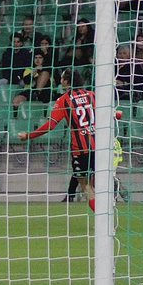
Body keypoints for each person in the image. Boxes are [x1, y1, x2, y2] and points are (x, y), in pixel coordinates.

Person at [18, 70, 101, 211]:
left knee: (86, 186)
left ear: (67, 81)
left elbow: (50, 125)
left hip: (80, 150)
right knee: (99, 184)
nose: (60, 82)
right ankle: (108, 216)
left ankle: (101, 219)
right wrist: (117, 115)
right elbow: (109, 114)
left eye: (62, 79)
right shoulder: (92, 96)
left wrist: (28, 136)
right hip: (99, 148)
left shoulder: (64, 100)